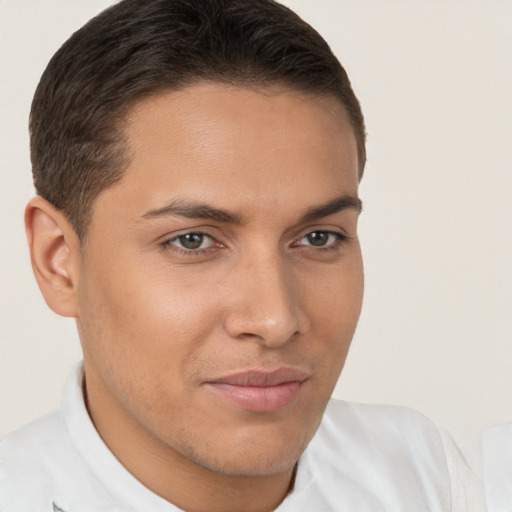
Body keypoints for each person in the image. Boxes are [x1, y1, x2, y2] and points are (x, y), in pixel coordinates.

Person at [0, 0, 482, 510]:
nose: (275, 320)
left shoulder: (431, 478)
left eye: (319, 238)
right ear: (59, 261)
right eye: (193, 241)